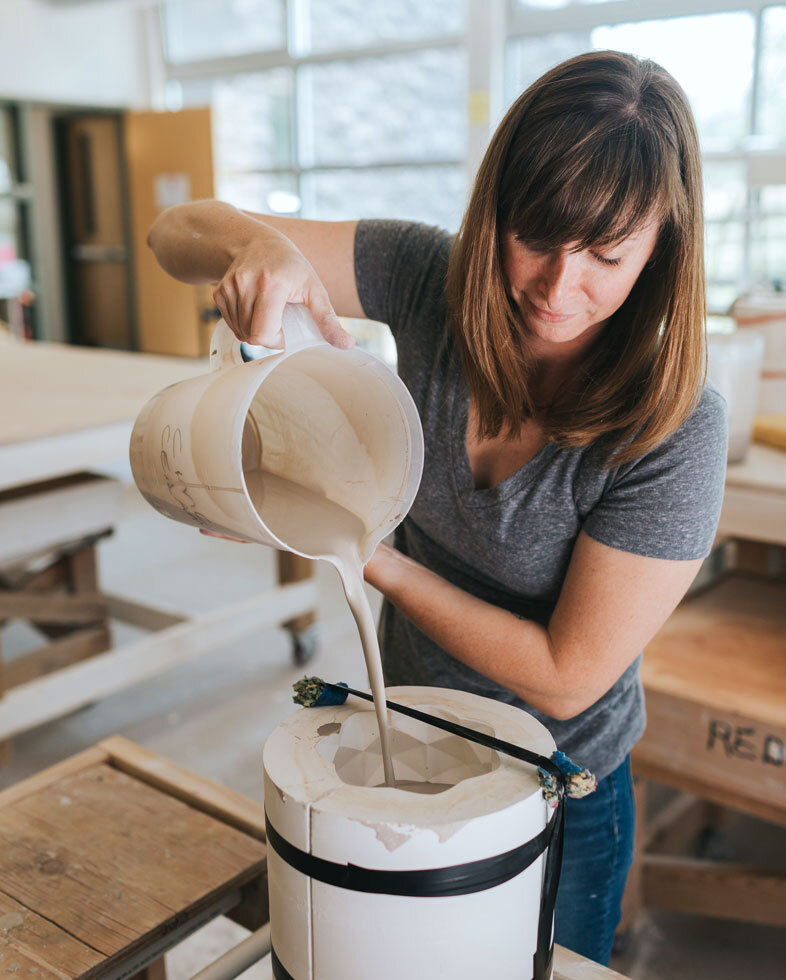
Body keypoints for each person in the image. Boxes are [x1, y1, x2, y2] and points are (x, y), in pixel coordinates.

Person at [147, 50, 728, 966]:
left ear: (664, 249)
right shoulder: (432, 276)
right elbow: (173, 232)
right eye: (534, 234)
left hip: (556, 780)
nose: (556, 286)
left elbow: (567, 673)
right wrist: (259, 247)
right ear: (494, 206)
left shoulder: (674, 425)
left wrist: (358, 544)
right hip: (407, 725)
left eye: (606, 256)